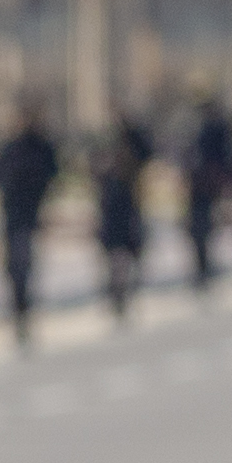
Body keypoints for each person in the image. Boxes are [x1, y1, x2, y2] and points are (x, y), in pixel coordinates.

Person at [0, 99, 62, 349]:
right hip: (12, 216)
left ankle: (24, 315)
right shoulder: (11, 147)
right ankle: (19, 315)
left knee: (23, 266)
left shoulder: (39, 147)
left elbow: (50, 175)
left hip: (28, 217)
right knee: (14, 269)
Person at [85, 104, 154, 328]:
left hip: (128, 208)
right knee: (111, 257)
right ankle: (115, 298)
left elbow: (147, 152)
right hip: (109, 210)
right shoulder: (102, 145)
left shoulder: (134, 143)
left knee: (130, 255)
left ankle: (125, 297)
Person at [178, 88, 232, 294]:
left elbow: (225, 156)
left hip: (211, 185)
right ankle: (201, 269)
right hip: (196, 187)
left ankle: (206, 268)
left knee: (207, 229)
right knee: (197, 230)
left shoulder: (217, 128)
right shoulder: (191, 129)